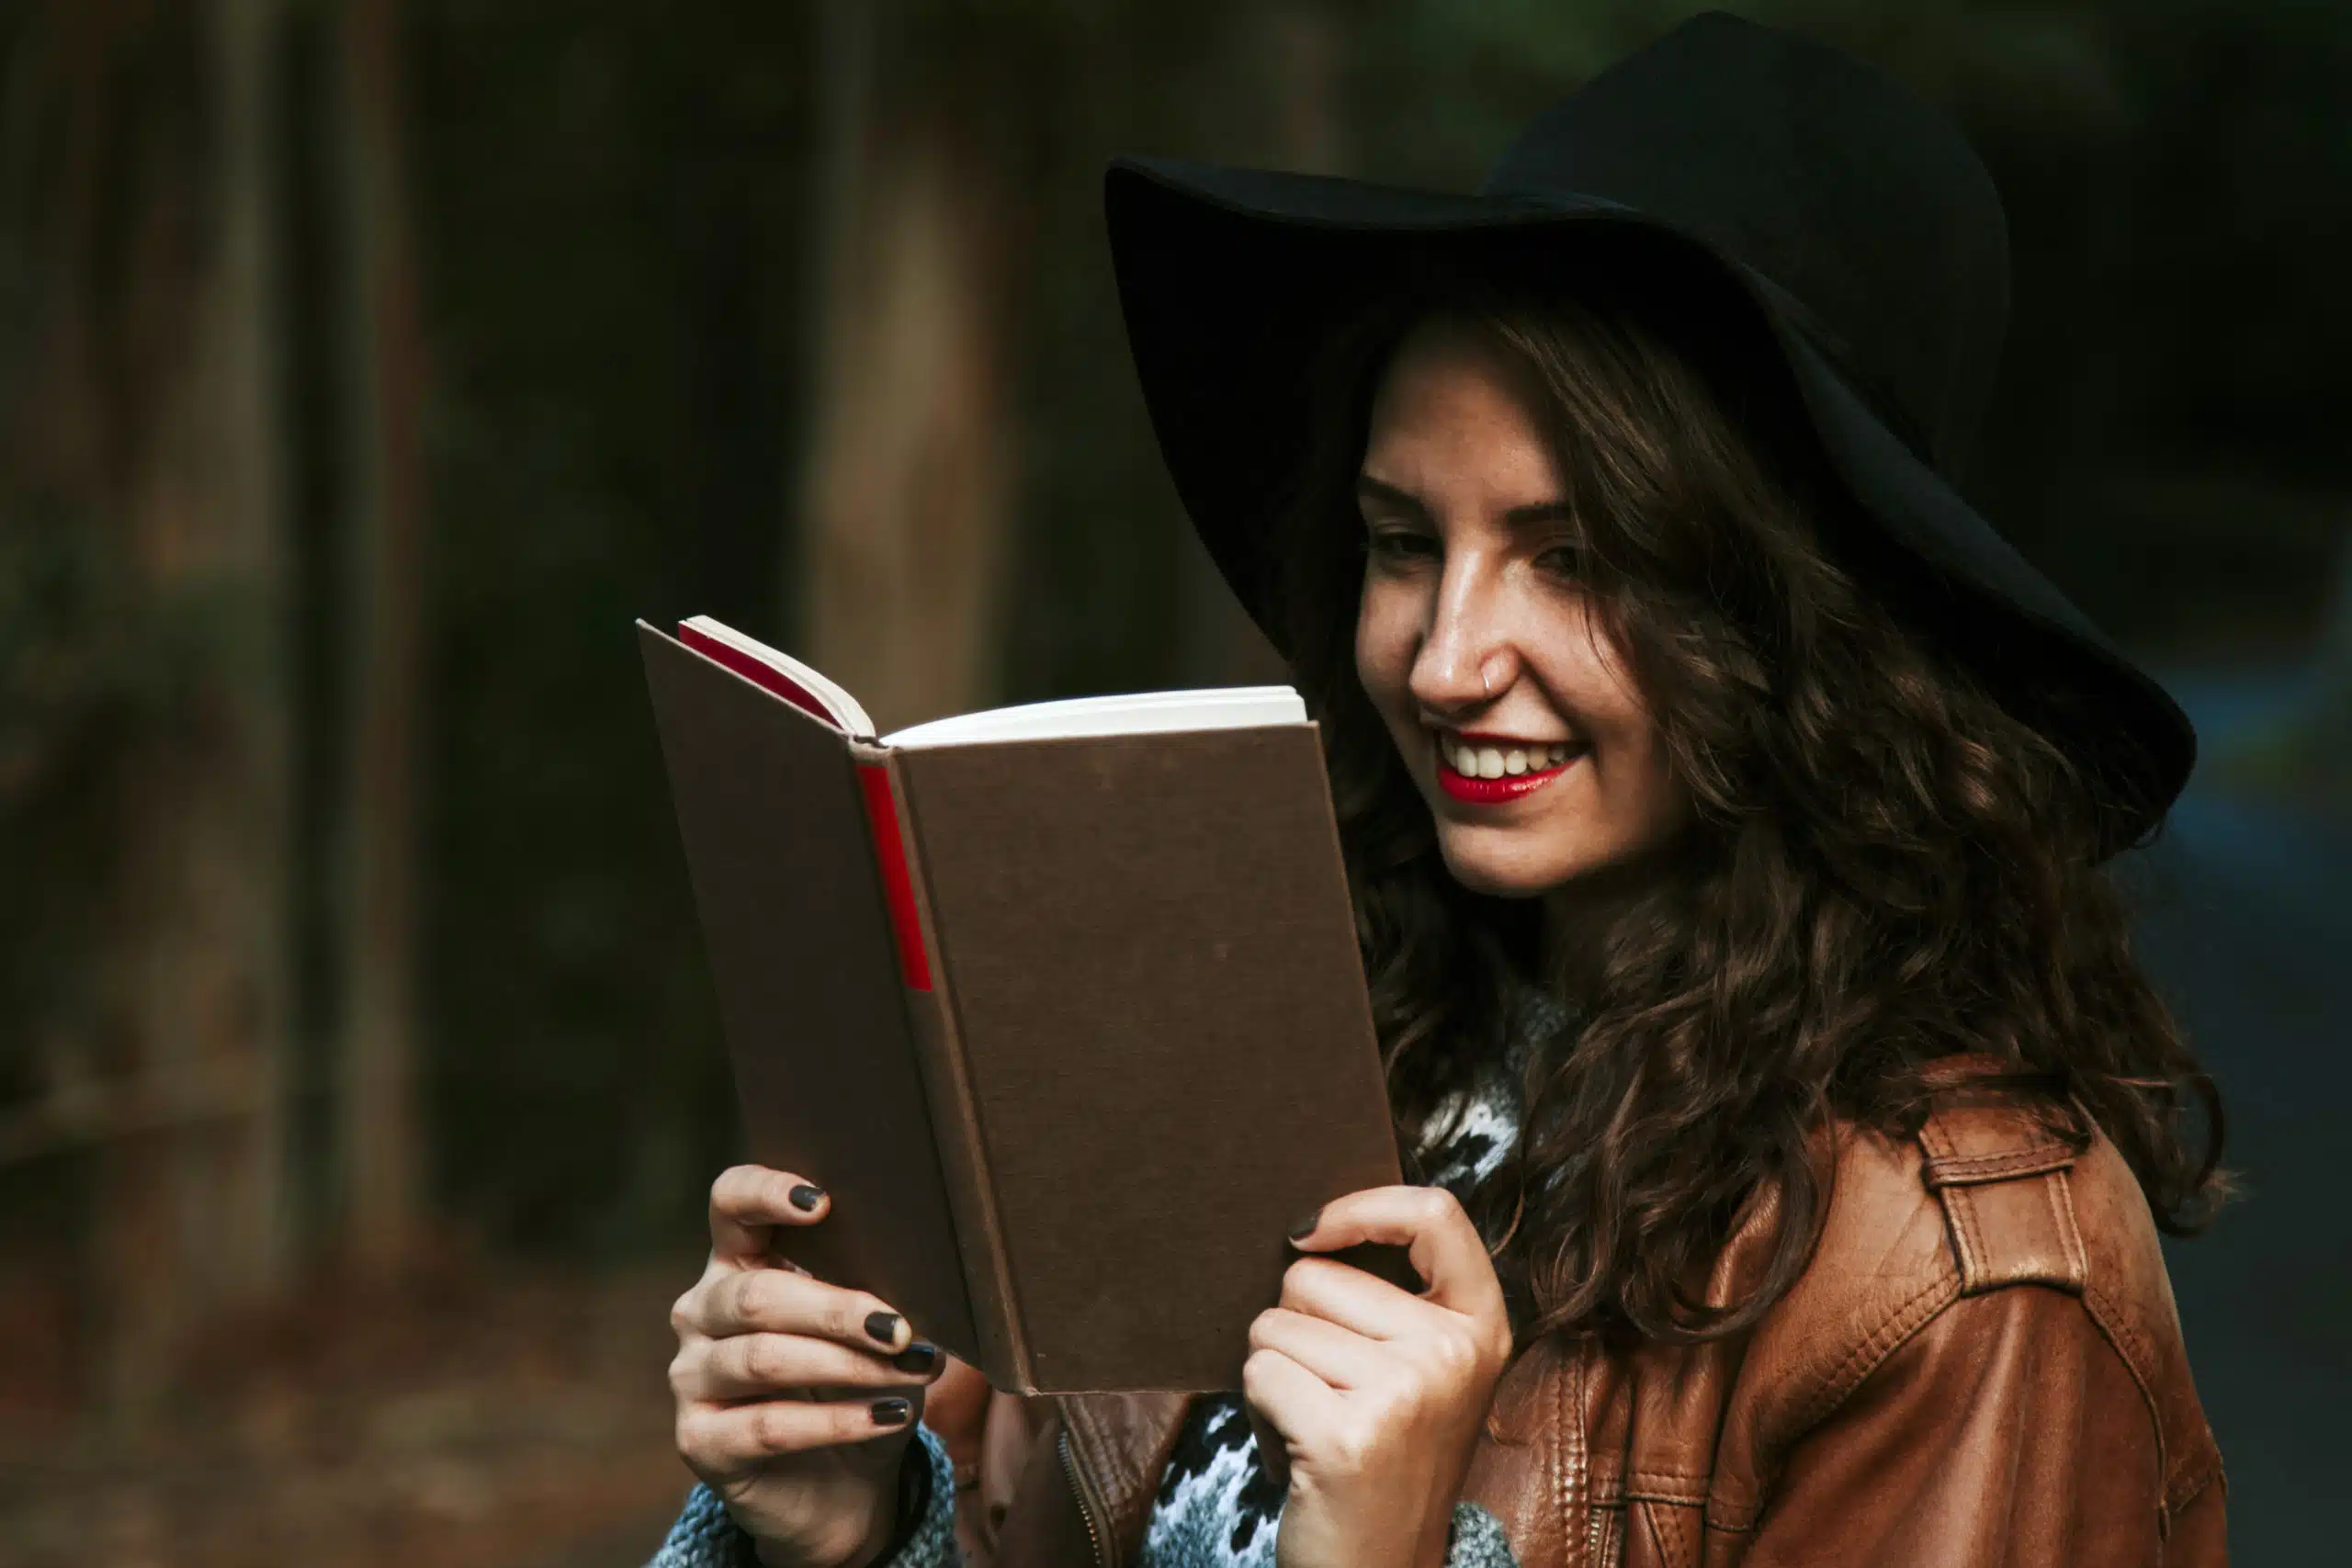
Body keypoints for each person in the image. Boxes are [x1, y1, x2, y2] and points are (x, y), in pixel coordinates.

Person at [649, 15, 2229, 1568]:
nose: (1448, 656)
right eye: (1406, 544)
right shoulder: (1296, 1039)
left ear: (1804, 624)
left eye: (1577, 558)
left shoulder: (1974, 1272)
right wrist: (851, 1528)